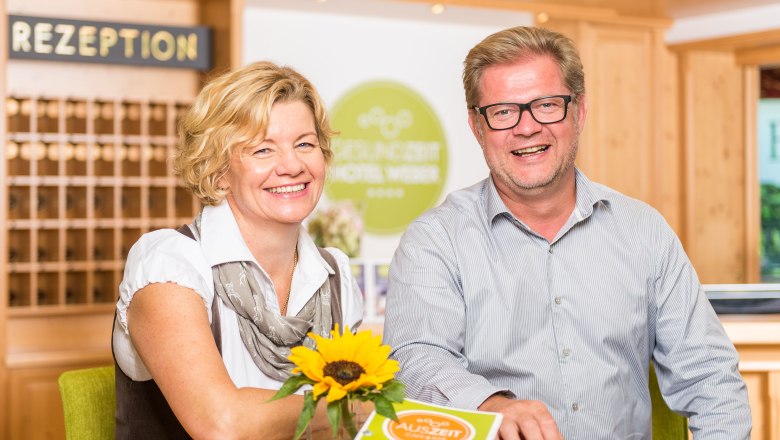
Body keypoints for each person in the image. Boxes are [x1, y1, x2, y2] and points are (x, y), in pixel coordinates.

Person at [383, 26, 751, 439]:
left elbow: (710, 382)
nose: (526, 128)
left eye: (546, 105)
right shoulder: (435, 240)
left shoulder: (644, 231)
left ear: (579, 111)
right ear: (477, 126)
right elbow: (416, 358)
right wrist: (491, 406)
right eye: (503, 111)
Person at [112, 61, 363, 439]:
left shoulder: (336, 274)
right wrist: (347, 409)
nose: (292, 165)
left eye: (305, 144)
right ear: (218, 169)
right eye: (263, 149)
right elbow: (220, 424)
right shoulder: (169, 264)